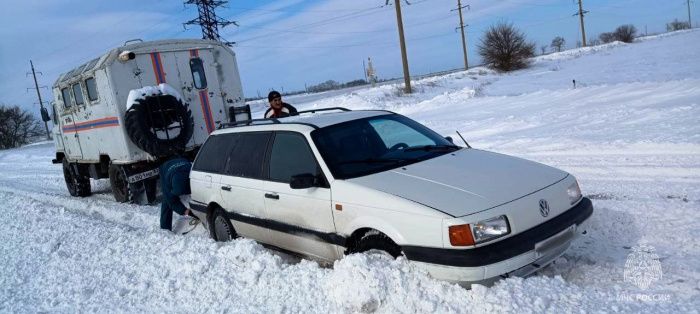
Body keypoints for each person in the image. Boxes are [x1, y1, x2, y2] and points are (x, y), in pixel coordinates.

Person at [159, 155, 197, 231]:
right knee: (167, 200)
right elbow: (172, 202)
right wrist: (187, 212)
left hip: (182, 161)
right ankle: (165, 228)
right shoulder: (167, 182)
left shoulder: (192, 172)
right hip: (165, 167)